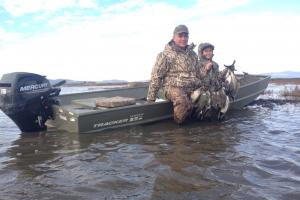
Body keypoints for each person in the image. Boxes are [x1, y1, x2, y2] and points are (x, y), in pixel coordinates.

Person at [147, 25, 200, 124]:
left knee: (208, 94)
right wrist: (151, 100)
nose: (183, 39)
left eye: (186, 36)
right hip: (172, 88)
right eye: (180, 36)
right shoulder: (165, 55)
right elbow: (156, 77)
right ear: (174, 37)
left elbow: (198, 73)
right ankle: (180, 132)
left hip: (192, 87)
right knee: (182, 99)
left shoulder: (193, 54)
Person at [192, 43, 229, 120]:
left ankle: (218, 116)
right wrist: (206, 69)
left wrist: (224, 76)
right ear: (201, 53)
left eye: (210, 51)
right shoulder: (197, 64)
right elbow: (195, 78)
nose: (208, 53)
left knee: (223, 96)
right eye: (206, 51)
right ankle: (198, 116)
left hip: (213, 90)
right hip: (202, 91)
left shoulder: (215, 64)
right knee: (204, 98)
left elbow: (217, 77)